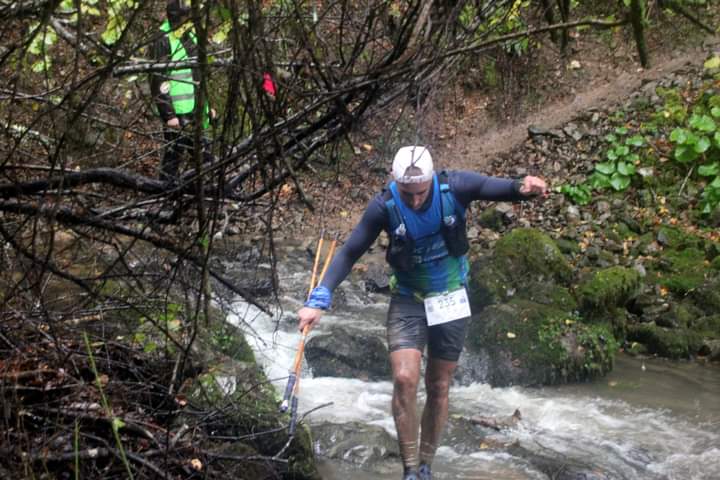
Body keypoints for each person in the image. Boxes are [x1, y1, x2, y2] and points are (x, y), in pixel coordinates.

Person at [297, 146, 547, 480]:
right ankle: (410, 470)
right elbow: (350, 251)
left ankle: (427, 466)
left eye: (420, 192)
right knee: (404, 379)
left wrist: (523, 187)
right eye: (407, 193)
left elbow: (497, 186)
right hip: (408, 298)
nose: (414, 200)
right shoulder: (383, 205)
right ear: (395, 182)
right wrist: (320, 299)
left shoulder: (455, 186)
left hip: (450, 298)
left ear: (430, 179)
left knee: (439, 385)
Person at [150, 0, 214, 183]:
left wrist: (209, 105)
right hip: (177, 112)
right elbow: (158, 79)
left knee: (203, 153)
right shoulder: (162, 39)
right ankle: (164, 191)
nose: (189, 20)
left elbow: (199, 74)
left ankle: (208, 191)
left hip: (195, 108)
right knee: (175, 155)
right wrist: (168, 114)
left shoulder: (189, 35)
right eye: (186, 16)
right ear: (176, 17)